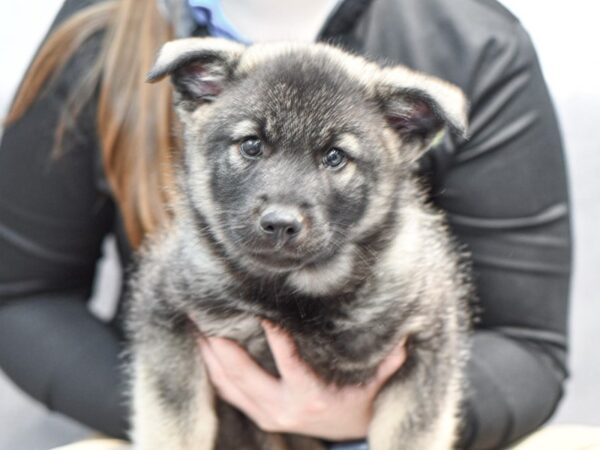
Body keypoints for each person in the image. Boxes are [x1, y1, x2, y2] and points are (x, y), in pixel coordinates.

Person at [0, 0, 571, 449]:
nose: (282, 210)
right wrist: (205, 417)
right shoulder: (102, 27)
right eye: (251, 145)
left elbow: (530, 347)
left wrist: (355, 422)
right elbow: (21, 296)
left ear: (409, 132)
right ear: (198, 93)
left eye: (335, 158)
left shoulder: (477, 40)